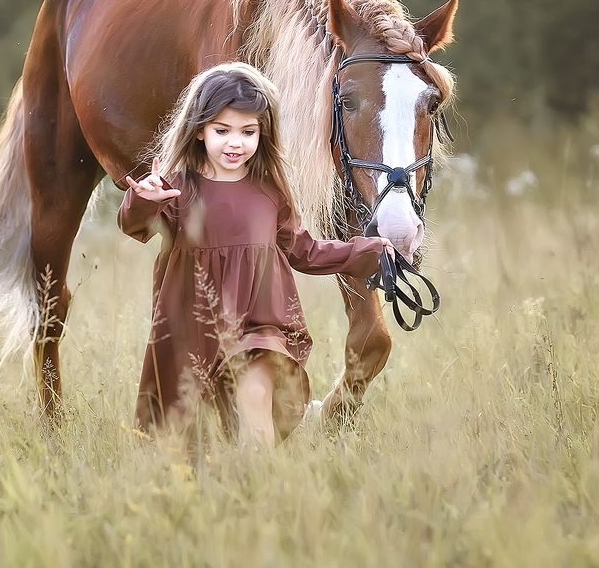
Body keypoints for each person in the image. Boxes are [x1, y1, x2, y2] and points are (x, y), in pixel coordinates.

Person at [118, 62, 394, 446]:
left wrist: (366, 251)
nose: (235, 143)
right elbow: (133, 227)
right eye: (222, 131)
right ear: (199, 130)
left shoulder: (270, 191)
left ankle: (259, 485)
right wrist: (142, 201)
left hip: (261, 327)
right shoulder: (179, 190)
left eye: (247, 132)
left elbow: (304, 251)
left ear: (262, 132)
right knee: (195, 440)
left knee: (255, 398)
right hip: (195, 331)